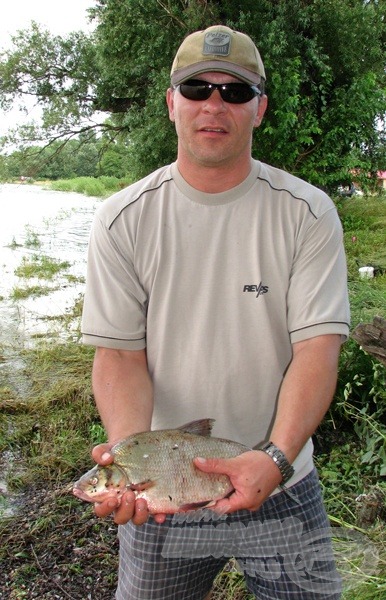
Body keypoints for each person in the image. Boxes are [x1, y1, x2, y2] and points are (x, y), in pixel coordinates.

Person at [81, 24, 350, 600]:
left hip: (281, 480)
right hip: (167, 494)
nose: (214, 104)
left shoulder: (308, 213)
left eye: (235, 92)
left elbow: (317, 351)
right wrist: (132, 468)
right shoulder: (121, 219)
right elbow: (120, 357)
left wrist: (275, 459)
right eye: (197, 88)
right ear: (171, 103)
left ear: (260, 109)